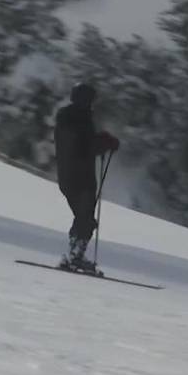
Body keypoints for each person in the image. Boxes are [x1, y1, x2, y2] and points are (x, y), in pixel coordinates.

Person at [53, 83, 120, 271]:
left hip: (67, 176)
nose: (92, 104)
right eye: (91, 100)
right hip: (80, 178)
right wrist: (106, 142)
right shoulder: (79, 120)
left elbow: (81, 146)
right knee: (85, 218)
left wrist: (102, 141)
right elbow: (85, 148)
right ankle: (75, 256)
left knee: (83, 217)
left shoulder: (66, 119)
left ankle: (73, 255)